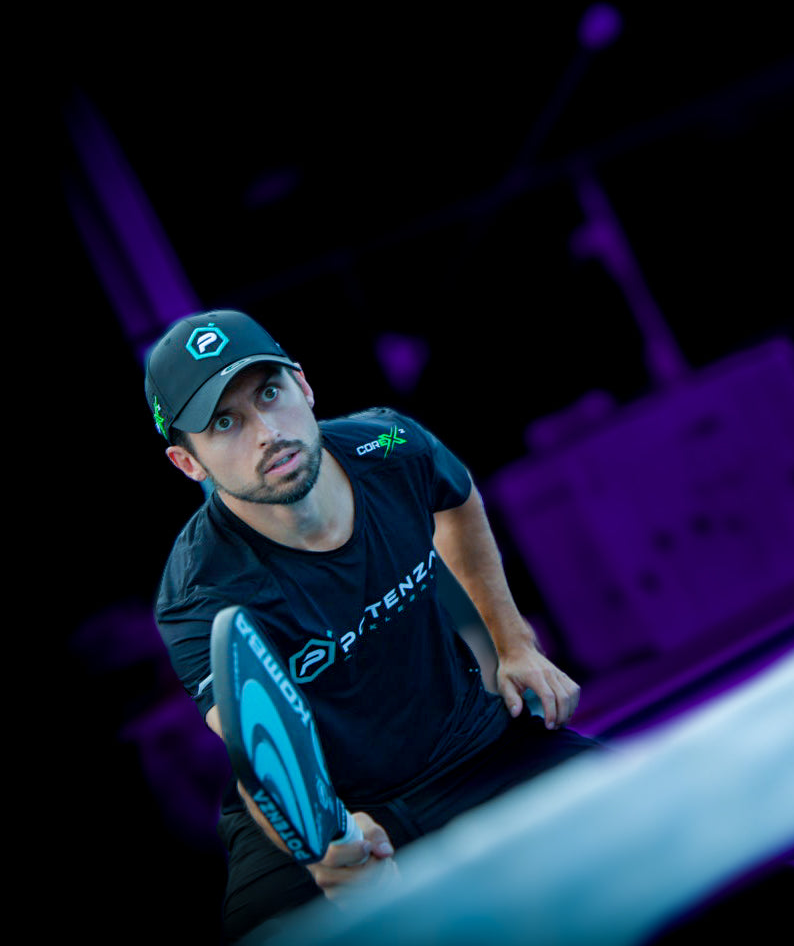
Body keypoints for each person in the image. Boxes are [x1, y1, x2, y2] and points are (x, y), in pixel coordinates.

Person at [147, 310, 601, 942]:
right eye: (225, 423)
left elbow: (458, 498)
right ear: (188, 463)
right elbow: (256, 750)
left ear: (304, 388)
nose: (267, 433)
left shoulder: (386, 445)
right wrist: (327, 845)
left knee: (654, 823)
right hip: (330, 803)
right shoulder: (200, 590)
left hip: (471, 749)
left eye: (269, 394)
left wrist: (514, 644)